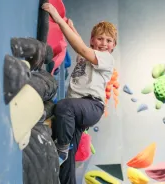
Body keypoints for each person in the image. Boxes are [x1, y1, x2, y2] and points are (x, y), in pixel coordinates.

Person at [42, 3, 117, 184]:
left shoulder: (106, 59)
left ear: (113, 46)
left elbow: (82, 48)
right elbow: (82, 45)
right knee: (67, 163)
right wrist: (72, 28)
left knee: (63, 106)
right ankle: (65, 164)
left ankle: (61, 148)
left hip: (91, 107)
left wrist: (58, 20)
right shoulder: (88, 54)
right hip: (76, 112)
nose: (104, 44)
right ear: (93, 40)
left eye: (109, 41)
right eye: (100, 39)